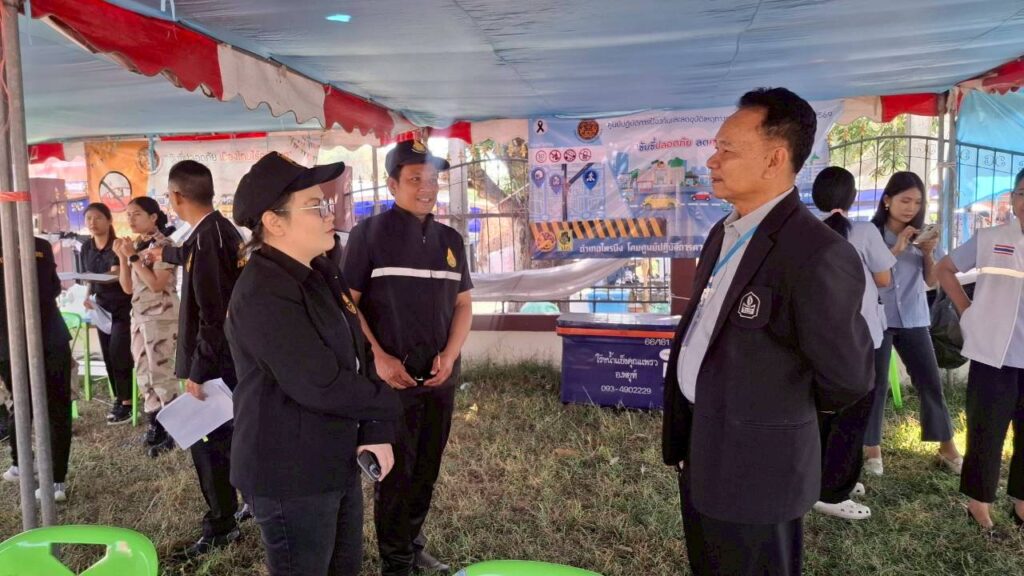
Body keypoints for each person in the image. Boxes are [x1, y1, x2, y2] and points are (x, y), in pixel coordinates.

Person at [661, 88, 873, 575]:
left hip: (761, 467)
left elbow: (848, 377)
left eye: (727, 149)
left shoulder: (816, 253)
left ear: (775, 158)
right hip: (703, 446)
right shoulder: (725, 232)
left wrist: (776, 413)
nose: (712, 161)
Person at [227, 152, 401, 576]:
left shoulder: (321, 270)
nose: (329, 214)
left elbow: (358, 353)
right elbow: (320, 383)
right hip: (290, 471)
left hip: (333, 457)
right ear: (274, 222)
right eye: (314, 205)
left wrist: (375, 429)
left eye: (326, 202)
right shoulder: (263, 292)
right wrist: (392, 404)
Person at [343, 139, 473, 576]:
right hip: (390, 382)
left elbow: (463, 304)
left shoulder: (450, 239)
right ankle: (396, 561)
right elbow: (349, 304)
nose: (427, 187)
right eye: (416, 178)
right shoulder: (369, 235)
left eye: (433, 179)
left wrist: (450, 356)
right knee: (396, 472)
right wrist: (378, 357)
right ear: (392, 184)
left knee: (427, 467)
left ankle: (412, 543)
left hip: (439, 378)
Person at [144, 160, 242, 561]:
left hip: (216, 365)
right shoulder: (214, 231)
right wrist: (166, 251)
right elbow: (189, 254)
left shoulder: (207, 241)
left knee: (210, 445)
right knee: (229, 439)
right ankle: (239, 508)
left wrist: (198, 371)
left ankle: (221, 524)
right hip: (227, 359)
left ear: (176, 197)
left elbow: (212, 317)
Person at [936, 168, 1024, 533]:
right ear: (1013, 199)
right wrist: (966, 311)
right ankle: (978, 505)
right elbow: (944, 269)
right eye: (1023, 192)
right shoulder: (990, 238)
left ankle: (1021, 504)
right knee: (987, 432)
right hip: (994, 355)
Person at [810, 167, 895, 521]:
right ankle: (833, 492)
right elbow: (884, 279)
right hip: (860, 338)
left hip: (818, 339)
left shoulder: (806, 230)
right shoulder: (864, 231)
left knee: (822, 415)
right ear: (852, 196)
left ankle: (823, 480)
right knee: (853, 416)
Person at [863, 171, 961, 476]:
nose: (911, 208)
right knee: (876, 384)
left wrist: (928, 254)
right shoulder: (870, 234)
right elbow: (866, 278)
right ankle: (872, 449)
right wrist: (897, 249)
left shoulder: (924, 235)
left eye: (917, 202)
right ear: (887, 200)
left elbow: (932, 281)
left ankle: (947, 448)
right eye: (905, 200)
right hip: (878, 318)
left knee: (929, 381)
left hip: (914, 317)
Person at [0, 235, 74, 501]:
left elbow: (50, 288)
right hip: (11, 341)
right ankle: (25, 465)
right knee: (23, 404)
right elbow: (51, 288)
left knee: (49, 406)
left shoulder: (39, 246)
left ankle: (53, 478)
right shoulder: (38, 246)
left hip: (46, 337)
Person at [112, 197, 179, 458]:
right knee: (143, 372)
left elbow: (156, 284)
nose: (131, 219)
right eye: (128, 214)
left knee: (161, 373)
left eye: (137, 214)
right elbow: (127, 288)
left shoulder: (165, 245)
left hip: (161, 317)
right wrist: (123, 257)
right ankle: (155, 425)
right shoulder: (137, 245)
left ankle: (174, 429)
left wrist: (132, 257)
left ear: (153, 217)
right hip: (139, 316)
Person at [79, 202, 134, 424]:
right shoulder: (86, 247)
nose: (92, 222)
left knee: (119, 353)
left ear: (109, 220)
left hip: (122, 307)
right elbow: (88, 277)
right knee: (108, 355)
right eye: (89, 218)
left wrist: (96, 278)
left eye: (98, 218)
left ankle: (128, 402)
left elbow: (115, 275)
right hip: (100, 307)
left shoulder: (117, 245)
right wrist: (87, 296)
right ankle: (119, 398)